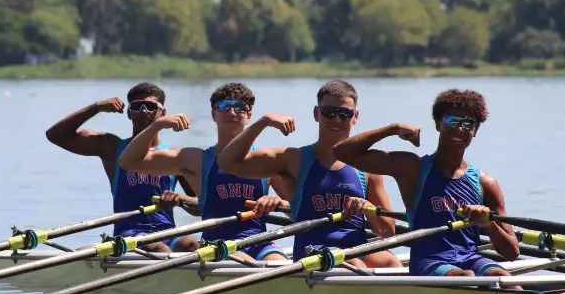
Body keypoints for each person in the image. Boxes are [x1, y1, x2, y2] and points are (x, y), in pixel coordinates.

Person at [332, 87, 519, 276]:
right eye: (452, 121)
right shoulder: (412, 168)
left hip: (471, 258)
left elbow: (512, 252)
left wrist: (488, 224)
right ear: (438, 124)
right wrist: (392, 129)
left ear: (475, 129)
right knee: (467, 276)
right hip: (429, 262)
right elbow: (341, 152)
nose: (459, 129)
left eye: (467, 123)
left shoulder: (485, 183)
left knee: (501, 276)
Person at [216, 80, 401, 268]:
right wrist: (264, 122)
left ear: (356, 116)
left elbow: (387, 231)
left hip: (356, 250)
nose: (337, 120)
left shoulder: (366, 167)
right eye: (329, 112)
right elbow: (227, 163)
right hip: (313, 253)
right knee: (354, 263)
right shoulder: (293, 160)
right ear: (316, 113)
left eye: (344, 114)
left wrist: (368, 208)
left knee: (390, 261)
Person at [117, 82, 291, 262]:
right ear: (214, 114)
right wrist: (157, 125)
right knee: (247, 263)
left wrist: (280, 203)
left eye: (239, 107)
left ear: (249, 116)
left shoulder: (265, 161)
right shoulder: (196, 160)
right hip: (217, 246)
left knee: (279, 264)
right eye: (224, 106)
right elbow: (127, 161)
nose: (232, 112)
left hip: (258, 242)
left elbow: (299, 211)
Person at [44, 82, 196, 253]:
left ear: (163, 113)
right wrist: (96, 108)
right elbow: (55, 135)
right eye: (137, 106)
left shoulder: (175, 156)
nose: (144, 111)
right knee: (160, 250)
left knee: (193, 244)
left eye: (151, 106)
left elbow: (202, 206)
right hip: (129, 234)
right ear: (129, 113)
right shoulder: (111, 148)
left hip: (167, 232)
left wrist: (181, 199)